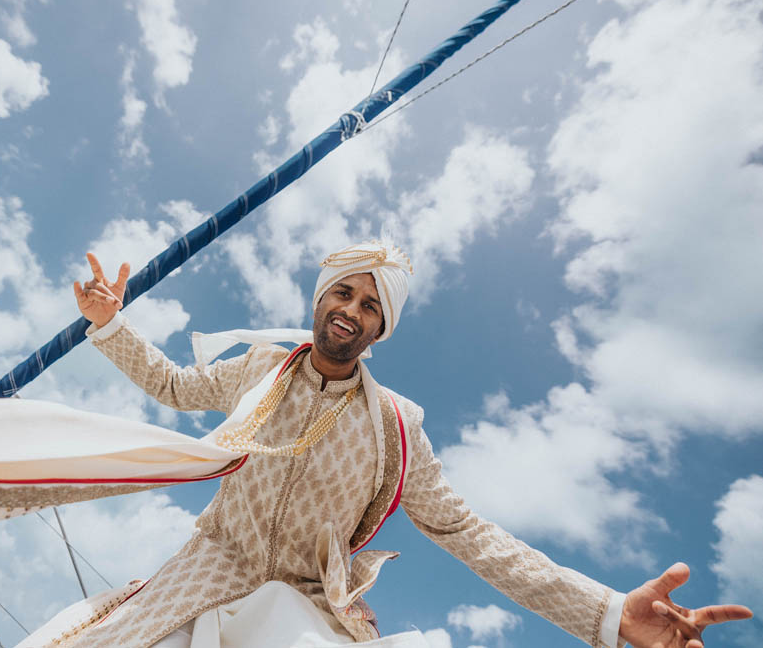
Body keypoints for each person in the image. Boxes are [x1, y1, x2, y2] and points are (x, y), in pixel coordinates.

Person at [68, 240, 752, 648]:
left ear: (379, 328)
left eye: (370, 305)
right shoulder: (256, 368)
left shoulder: (395, 426)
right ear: (320, 297)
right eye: (343, 291)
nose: (351, 309)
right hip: (205, 567)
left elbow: (473, 535)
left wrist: (607, 615)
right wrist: (108, 325)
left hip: (301, 604)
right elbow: (173, 385)